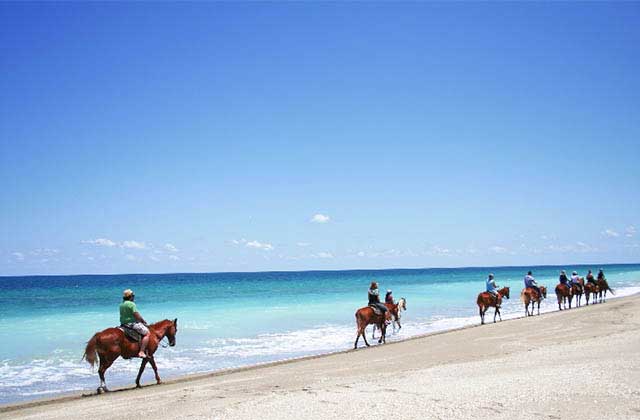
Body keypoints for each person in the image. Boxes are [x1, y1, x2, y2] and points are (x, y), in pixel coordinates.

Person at [120, 289, 150, 358]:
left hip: (123, 324)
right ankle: (141, 352)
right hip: (131, 324)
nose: (133, 297)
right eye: (133, 296)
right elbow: (136, 314)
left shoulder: (121, 304)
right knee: (147, 333)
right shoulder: (132, 304)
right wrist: (142, 320)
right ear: (130, 297)